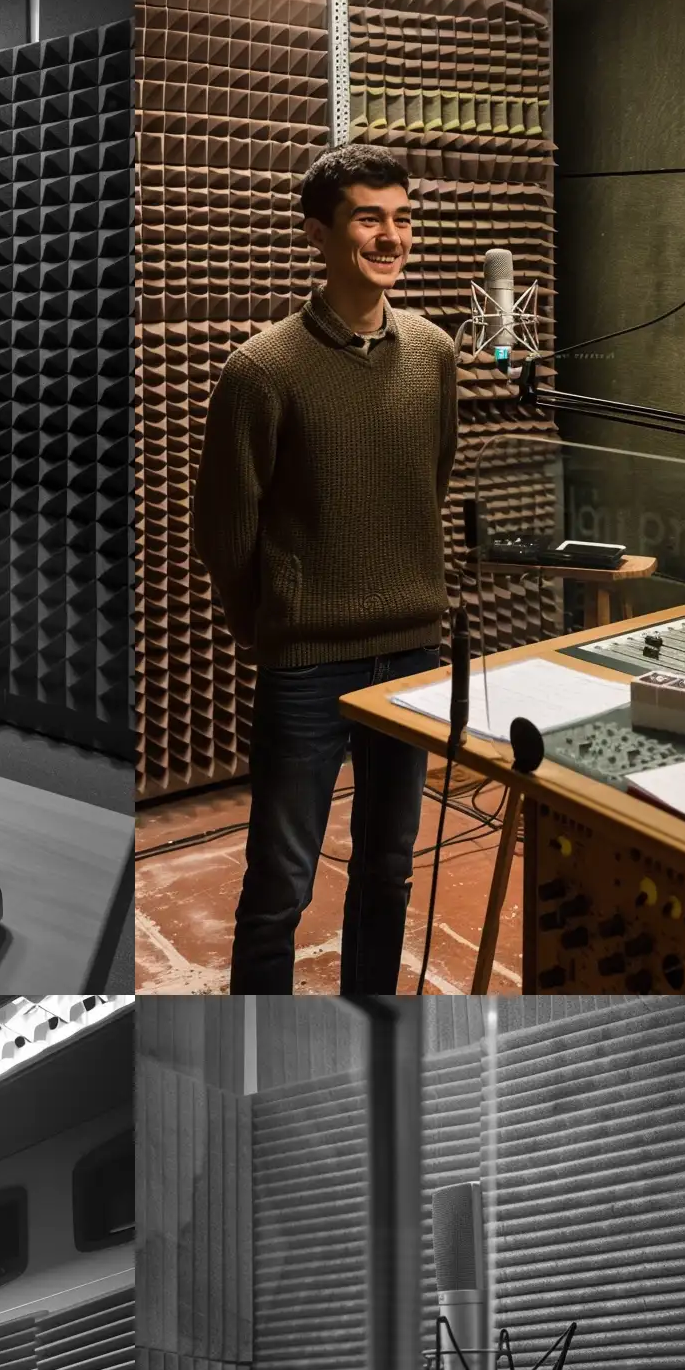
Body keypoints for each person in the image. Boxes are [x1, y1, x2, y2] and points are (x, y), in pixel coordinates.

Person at [192, 143, 458, 994]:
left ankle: (371, 1019)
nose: (391, 236)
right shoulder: (262, 370)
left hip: (412, 654)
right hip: (306, 664)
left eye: (403, 217)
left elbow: (429, 480)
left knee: (390, 869)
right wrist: (272, 625)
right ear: (320, 232)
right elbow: (224, 529)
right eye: (368, 217)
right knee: (280, 886)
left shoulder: (436, 354)